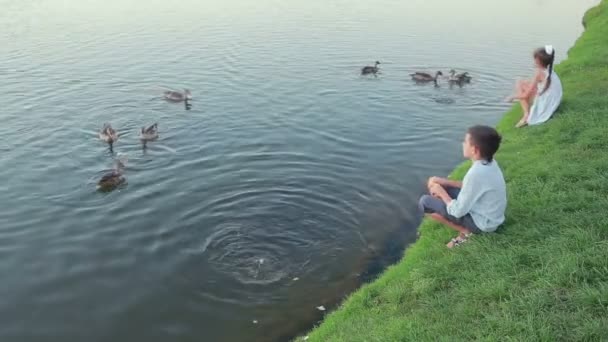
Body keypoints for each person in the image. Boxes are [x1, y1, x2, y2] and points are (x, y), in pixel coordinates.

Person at [419, 125, 507, 248]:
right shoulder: (489, 163)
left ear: (474, 150)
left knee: (424, 202)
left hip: (484, 224)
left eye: (465, 142)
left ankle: (465, 231)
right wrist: (444, 182)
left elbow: (458, 211)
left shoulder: (475, 173)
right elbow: (471, 187)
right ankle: (465, 228)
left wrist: (442, 193)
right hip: (492, 217)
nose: (462, 143)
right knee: (444, 188)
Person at [507, 45, 563, 128]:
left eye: (535, 59)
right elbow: (538, 83)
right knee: (521, 82)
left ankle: (526, 116)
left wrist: (511, 97)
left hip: (547, 103)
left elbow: (525, 95)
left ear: (537, 61)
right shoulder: (549, 70)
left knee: (521, 89)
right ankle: (527, 114)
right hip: (554, 100)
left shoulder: (539, 73)